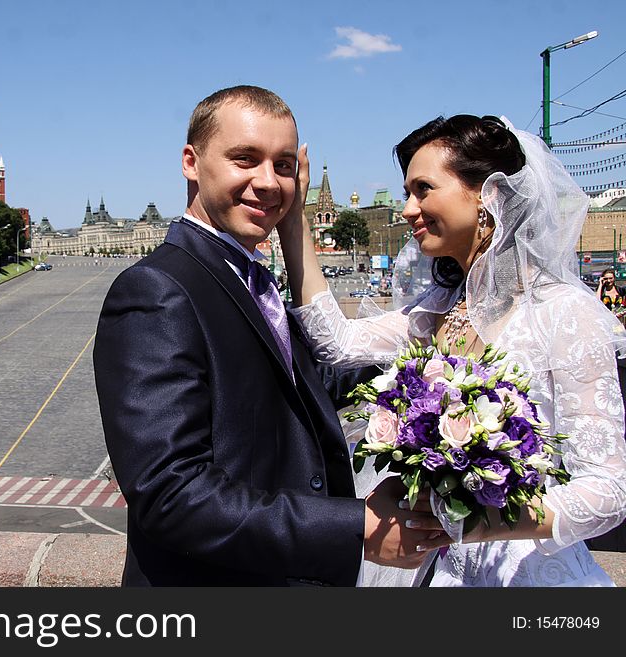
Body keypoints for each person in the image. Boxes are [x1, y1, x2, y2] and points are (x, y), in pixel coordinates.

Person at [93, 85, 446, 586]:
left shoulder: (245, 272)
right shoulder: (157, 290)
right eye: (245, 159)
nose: (268, 182)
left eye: (283, 165)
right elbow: (171, 493)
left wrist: (427, 356)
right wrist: (353, 530)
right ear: (191, 162)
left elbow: (290, 388)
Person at [278, 114, 626, 586]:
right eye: (406, 192)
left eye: (423, 189)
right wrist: (294, 218)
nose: (406, 208)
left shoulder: (563, 314)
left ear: (488, 196)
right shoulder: (440, 308)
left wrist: (471, 521)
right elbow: (334, 341)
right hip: (446, 571)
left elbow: (609, 491)